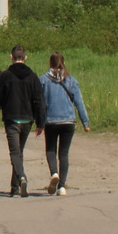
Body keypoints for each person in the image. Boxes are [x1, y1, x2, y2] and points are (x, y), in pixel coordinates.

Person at [0, 45, 45, 197]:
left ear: (11, 57)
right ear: (25, 58)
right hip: (27, 119)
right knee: (19, 152)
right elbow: (39, 100)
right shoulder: (33, 77)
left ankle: (21, 177)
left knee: (15, 152)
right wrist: (41, 122)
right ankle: (15, 187)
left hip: (11, 118)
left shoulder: (5, 76)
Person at [39, 52, 91, 196]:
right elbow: (79, 102)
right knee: (64, 153)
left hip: (51, 121)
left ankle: (54, 174)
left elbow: (40, 104)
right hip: (68, 121)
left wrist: (39, 122)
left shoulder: (43, 80)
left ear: (50, 63)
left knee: (50, 149)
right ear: (64, 62)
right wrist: (85, 122)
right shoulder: (71, 80)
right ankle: (62, 187)